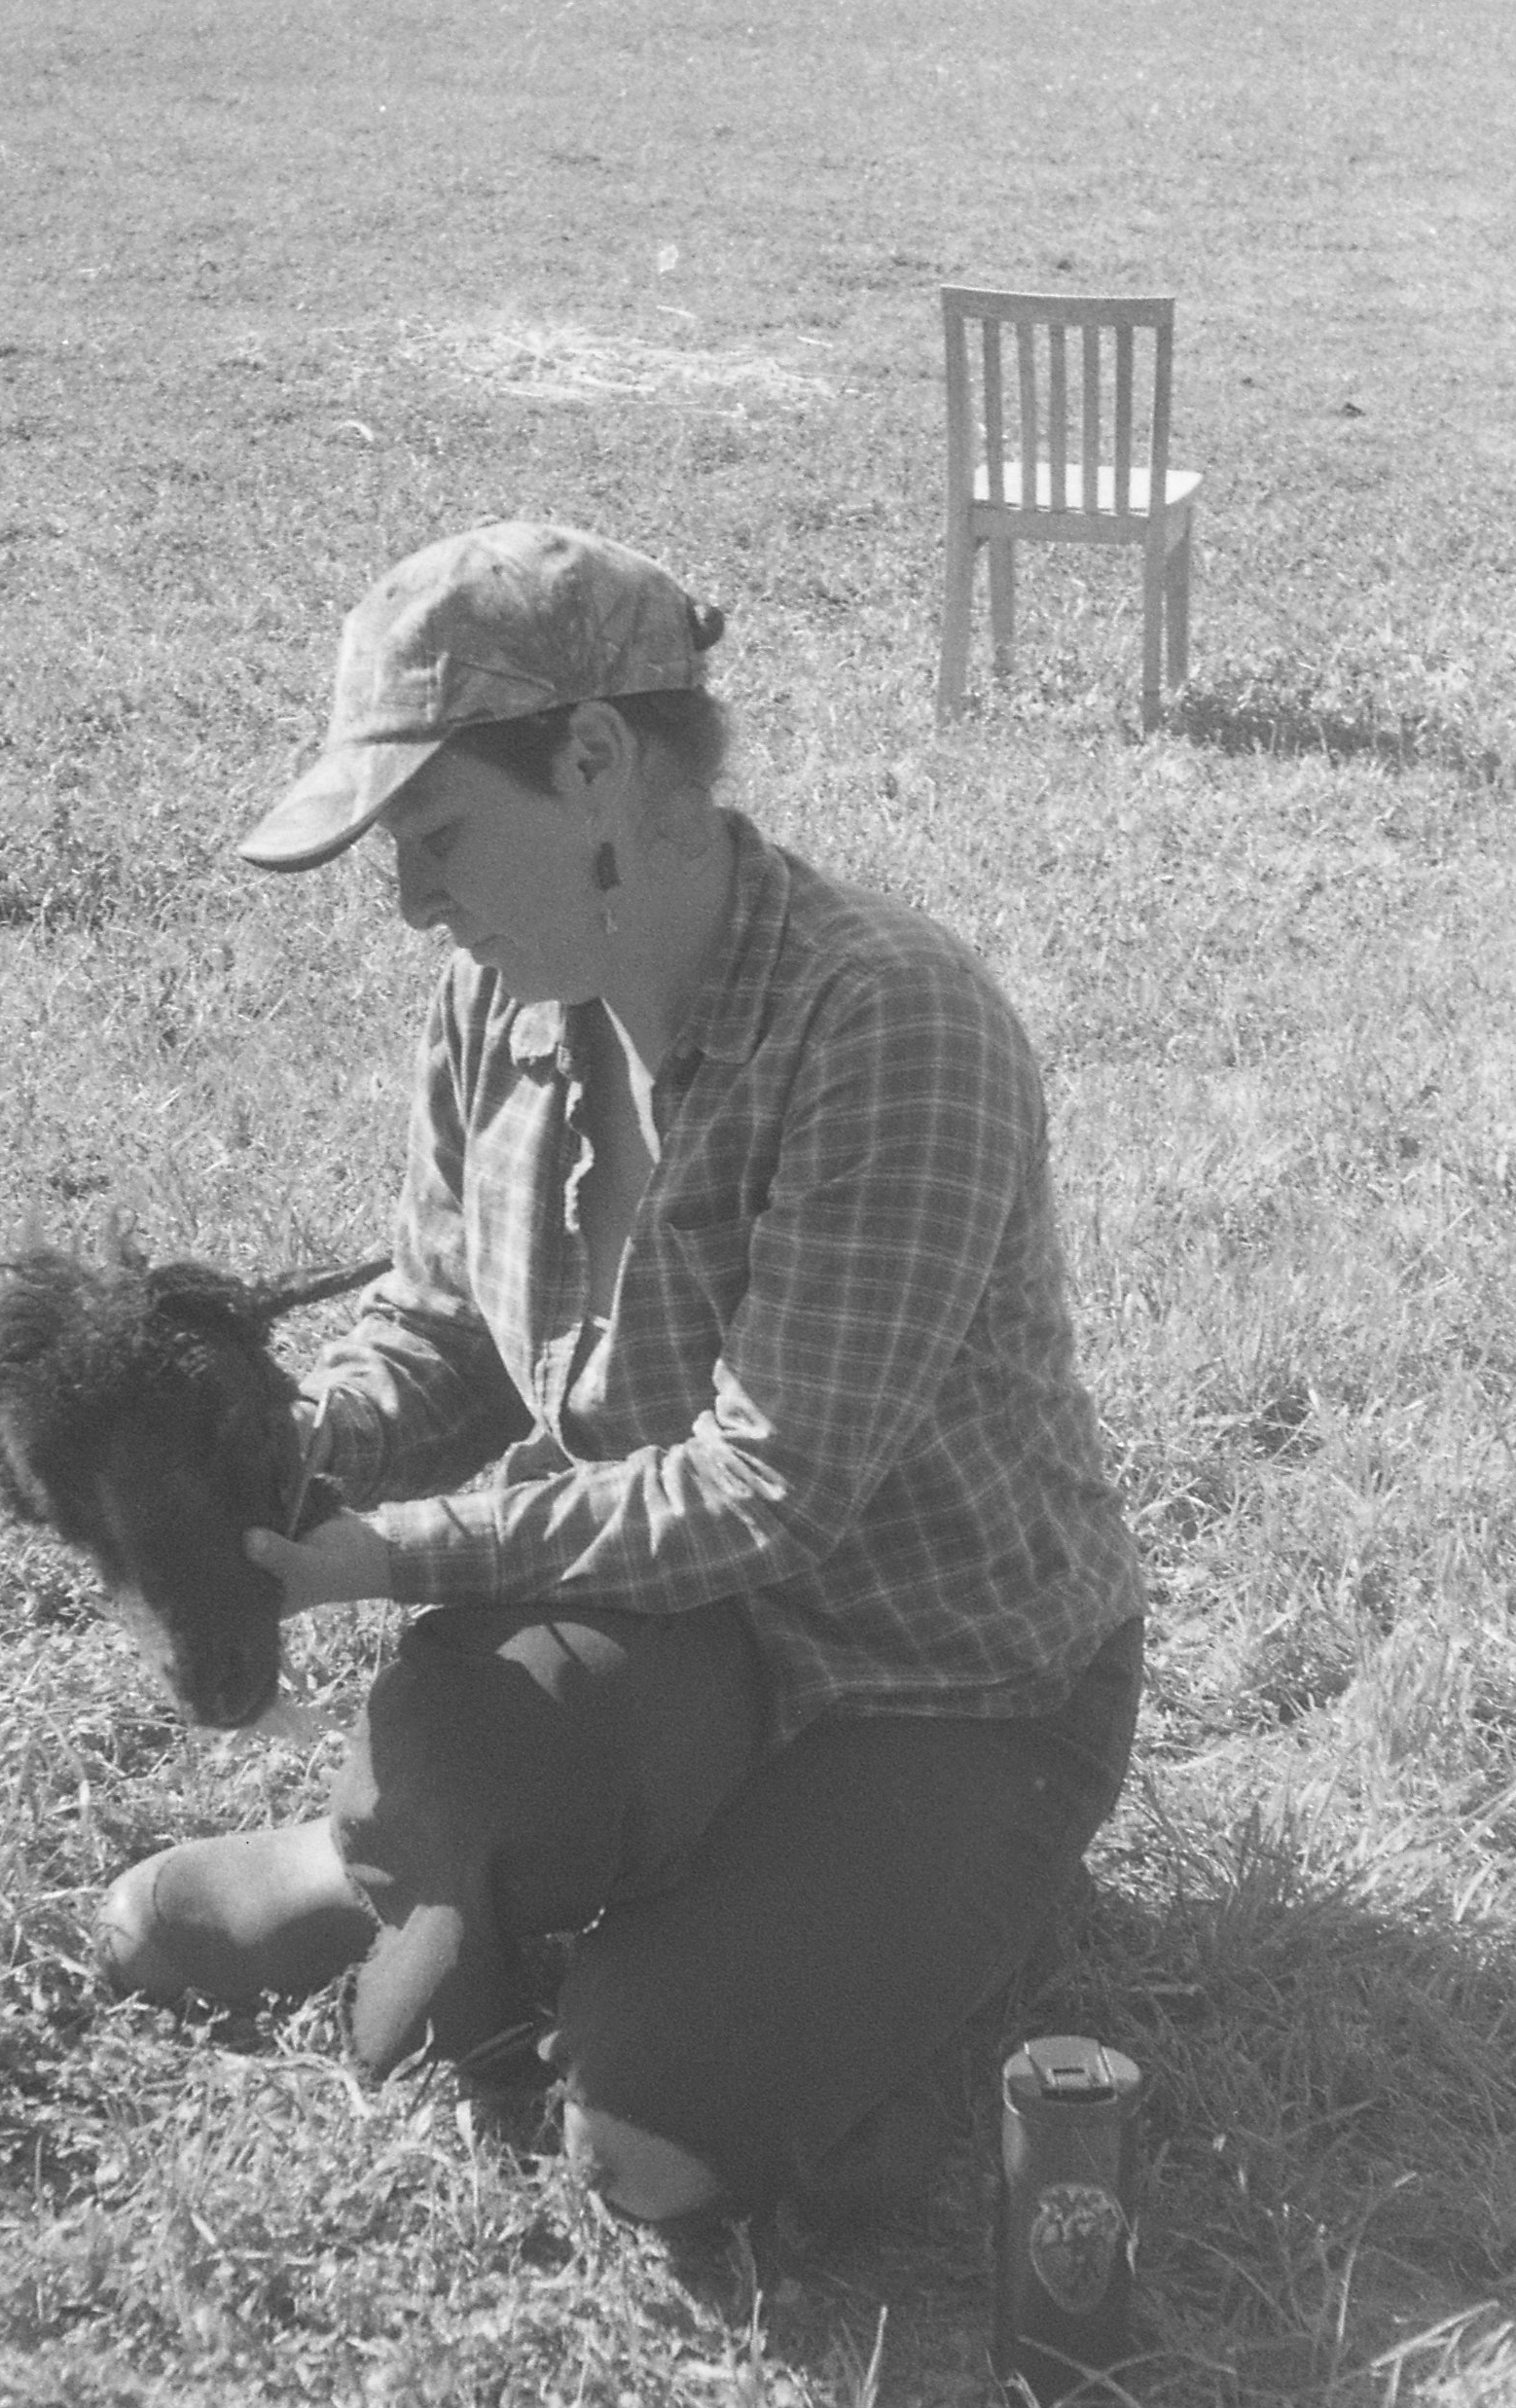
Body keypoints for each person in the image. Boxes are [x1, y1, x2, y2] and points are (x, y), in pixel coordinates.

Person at [98, 519, 1144, 2225]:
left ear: (594, 763)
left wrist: (390, 1554)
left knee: (645, 2133)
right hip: (689, 1631)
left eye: (436, 835)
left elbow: (765, 1490)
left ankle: (907, 1899)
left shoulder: (890, 1024)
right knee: (464, 1737)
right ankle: (403, 1867)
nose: (411, 900)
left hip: (953, 1686)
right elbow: (445, 1326)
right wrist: (285, 1458)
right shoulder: (501, 1000)